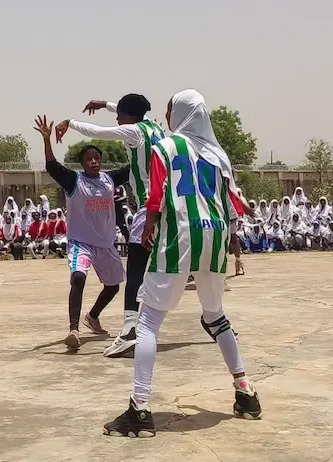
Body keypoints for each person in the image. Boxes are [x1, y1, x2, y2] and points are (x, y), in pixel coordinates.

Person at [103, 89, 260, 439]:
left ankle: (139, 409)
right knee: (215, 316)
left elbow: (156, 194)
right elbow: (232, 201)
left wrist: (148, 225)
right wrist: (233, 238)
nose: (166, 116)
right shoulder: (218, 155)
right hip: (215, 236)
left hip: (181, 235)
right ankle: (246, 391)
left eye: (170, 110)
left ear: (181, 114)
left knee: (148, 321)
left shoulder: (167, 147)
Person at [53, 94, 166, 359]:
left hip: (149, 205)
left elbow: (98, 132)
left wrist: (70, 122)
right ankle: (214, 315)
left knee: (135, 272)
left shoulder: (133, 132)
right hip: (168, 203)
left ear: (129, 117)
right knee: (164, 269)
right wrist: (104, 105)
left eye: (119, 114)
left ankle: (129, 331)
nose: (116, 118)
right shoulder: (153, 126)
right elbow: (127, 111)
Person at [36, 115, 128, 350]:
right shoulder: (74, 181)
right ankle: (74, 330)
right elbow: (52, 167)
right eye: (89, 159)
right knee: (78, 278)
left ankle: (92, 316)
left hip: (105, 243)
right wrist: (47, 140)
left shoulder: (109, 179)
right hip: (81, 242)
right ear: (83, 163)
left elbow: (134, 168)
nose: (94, 161)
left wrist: (145, 141)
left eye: (97, 157)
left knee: (114, 286)